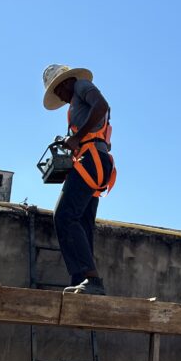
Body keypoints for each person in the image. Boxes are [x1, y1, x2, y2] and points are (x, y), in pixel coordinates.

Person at [42, 64, 116, 296]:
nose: (60, 97)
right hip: (94, 159)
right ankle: (84, 280)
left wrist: (77, 138)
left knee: (64, 215)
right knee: (83, 223)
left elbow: (102, 106)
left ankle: (90, 278)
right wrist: (72, 140)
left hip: (91, 159)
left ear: (64, 82)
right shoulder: (74, 103)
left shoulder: (82, 86)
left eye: (58, 91)